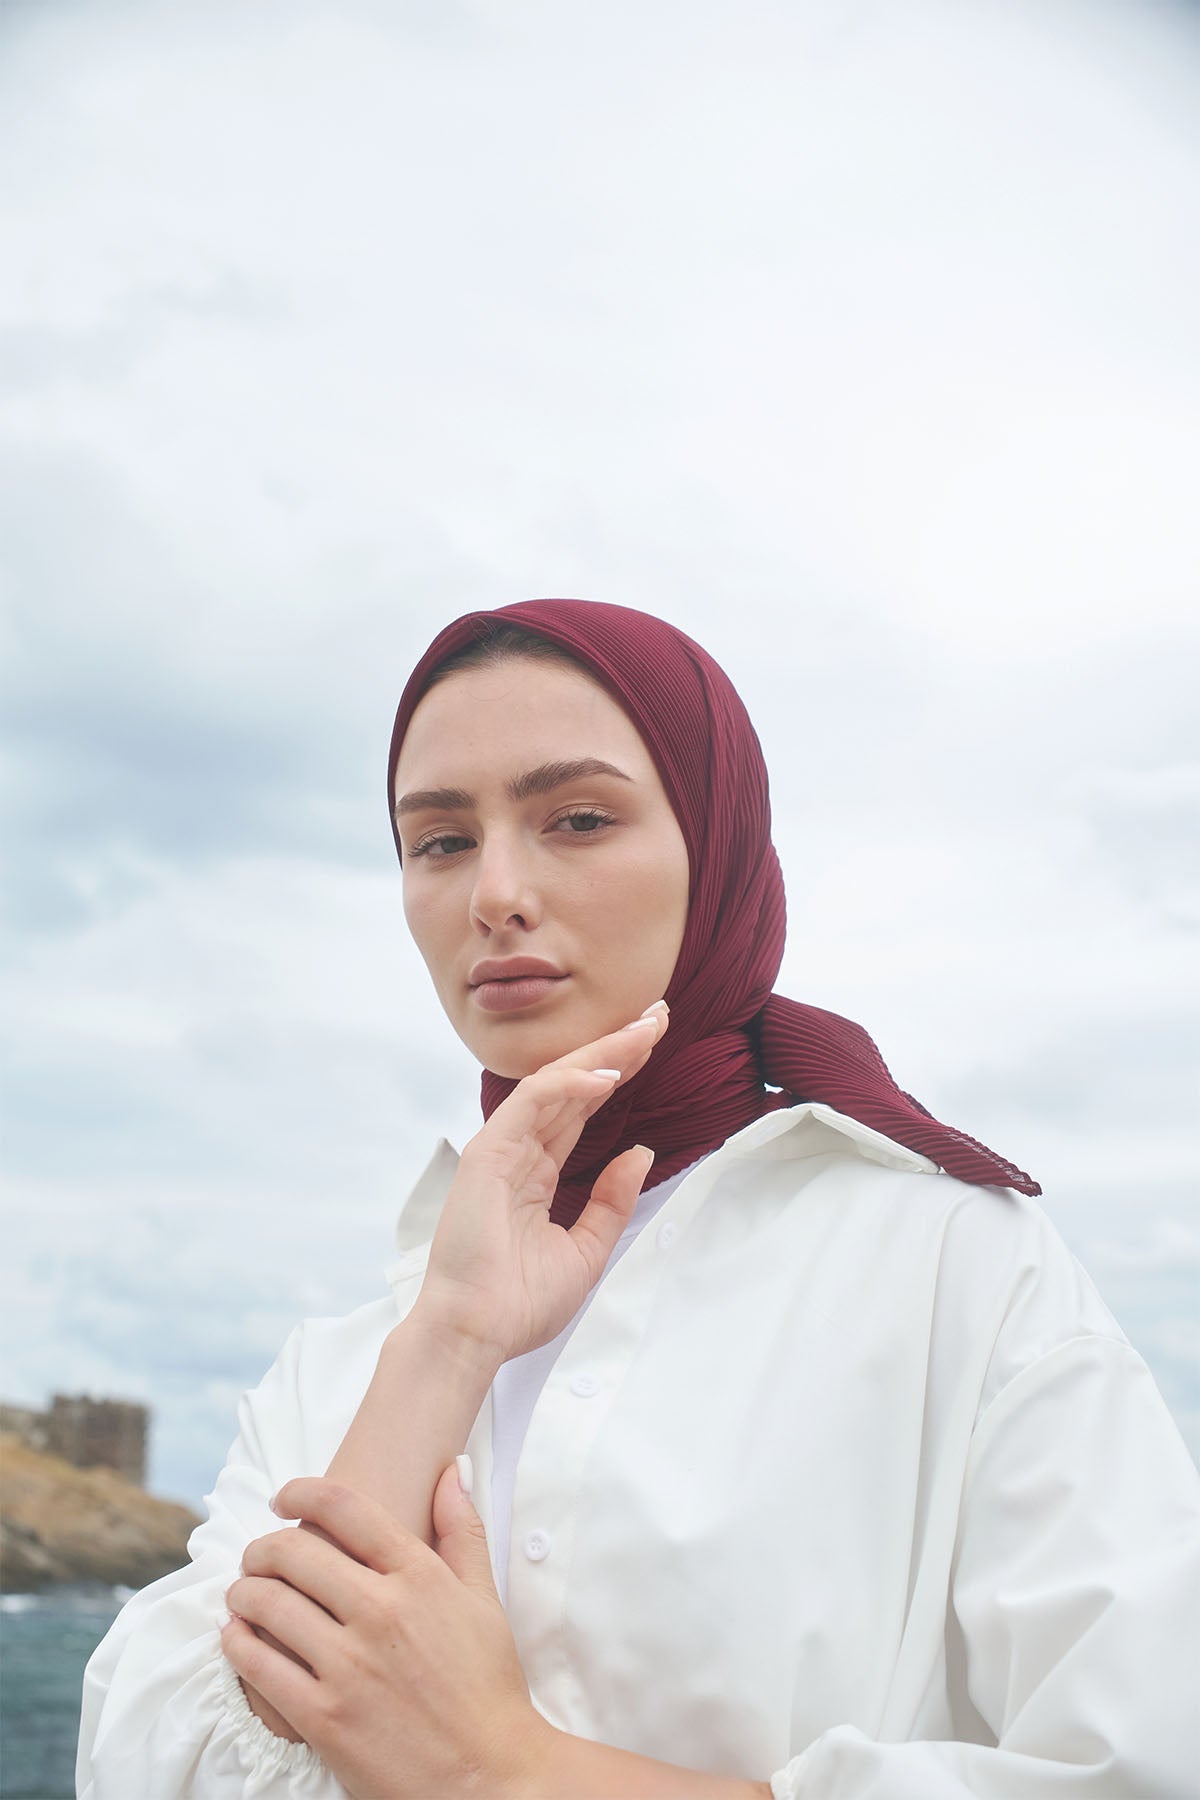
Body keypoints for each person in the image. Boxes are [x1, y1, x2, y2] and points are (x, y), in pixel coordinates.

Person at [77, 598, 1199, 1799]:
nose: (494, 892)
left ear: (716, 848)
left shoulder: (954, 1268)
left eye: (578, 818)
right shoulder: (354, 1358)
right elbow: (151, 1765)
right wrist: (449, 1340)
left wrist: (503, 1771)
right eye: (441, 841)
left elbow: (1135, 1767)